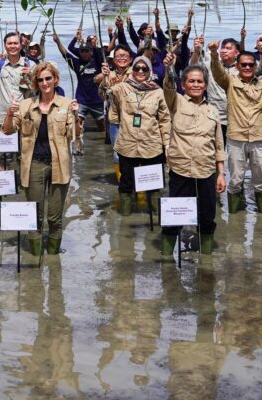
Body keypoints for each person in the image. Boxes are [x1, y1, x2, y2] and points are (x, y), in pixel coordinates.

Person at [2, 61, 79, 256]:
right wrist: (10, 113)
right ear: (36, 83)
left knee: (55, 217)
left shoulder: (67, 104)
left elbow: (74, 135)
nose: (45, 83)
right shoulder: (26, 105)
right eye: (40, 80)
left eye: (48, 79)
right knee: (34, 216)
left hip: (59, 165)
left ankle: (54, 261)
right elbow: (7, 130)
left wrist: (77, 116)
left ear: (55, 80)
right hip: (33, 164)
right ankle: (36, 259)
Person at [211, 43, 262, 215]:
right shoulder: (229, 81)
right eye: (244, 64)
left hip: (259, 138)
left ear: (255, 66)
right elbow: (217, 72)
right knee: (235, 179)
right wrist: (214, 54)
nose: (247, 67)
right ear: (237, 66)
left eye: (251, 65)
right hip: (236, 138)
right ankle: (234, 218)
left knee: (261, 180)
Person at [161, 59, 226, 254]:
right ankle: (167, 260)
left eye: (200, 81)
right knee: (174, 218)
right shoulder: (176, 102)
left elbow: (219, 145)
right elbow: (168, 87)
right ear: (184, 85)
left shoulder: (212, 110)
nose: (196, 85)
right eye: (191, 81)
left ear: (205, 85)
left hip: (206, 172)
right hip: (180, 171)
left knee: (207, 217)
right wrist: (169, 67)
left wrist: (221, 174)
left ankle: (206, 260)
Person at [106, 55, 171, 218]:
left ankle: (155, 217)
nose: (140, 71)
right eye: (137, 68)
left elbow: (164, 120)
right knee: (126, 184)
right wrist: (107, 76)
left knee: (155, 184)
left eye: (144, 68)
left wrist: (167, 144)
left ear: (150, 71)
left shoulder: (158, 91)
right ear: (132, 70)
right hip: (127, 146)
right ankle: (126, 220)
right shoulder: (122, 88)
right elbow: (105, 92)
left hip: (152, 146)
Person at [0, 32, 34, 169]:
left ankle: (21, 181)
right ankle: (3, 181)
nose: (12, 46)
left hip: (25, 118)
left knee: (25, 155)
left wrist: (31, 76)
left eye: (15, 43)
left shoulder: (30, 65)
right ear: (5, 45)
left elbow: (41, 89)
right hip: (2, 118)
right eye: (9, 43)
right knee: (3, 158)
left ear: (21, 45)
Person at [54, 28, 104, 155]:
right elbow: (65, 53)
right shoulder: (76, 63)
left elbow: (102, 56)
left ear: (91, 52)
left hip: (97, 100)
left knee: (102, 127)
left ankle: (102, 150)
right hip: (81, 100)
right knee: (77, 124)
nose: (84, 53)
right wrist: (58, 41)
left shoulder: (97, 62)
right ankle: (77, 147)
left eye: (87, 51)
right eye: (82, 51)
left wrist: (95, 44)